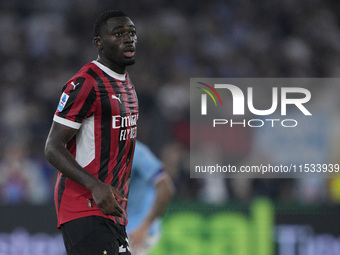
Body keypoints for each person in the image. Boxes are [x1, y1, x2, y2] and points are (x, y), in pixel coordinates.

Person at [44, 10, 138, 255]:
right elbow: (52, 146)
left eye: (131, 33)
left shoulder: (126, 83)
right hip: (84, 207)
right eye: (118, 34)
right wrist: (95, 186)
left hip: (111, 210)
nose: (128, 39)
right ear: (99, 43)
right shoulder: (86, 82)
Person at [127, 141, 175, 255]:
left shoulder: (137, 151)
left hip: (137, 230)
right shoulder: (105, 150)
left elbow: (166, 187)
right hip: (118, 228)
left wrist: (145, 226)